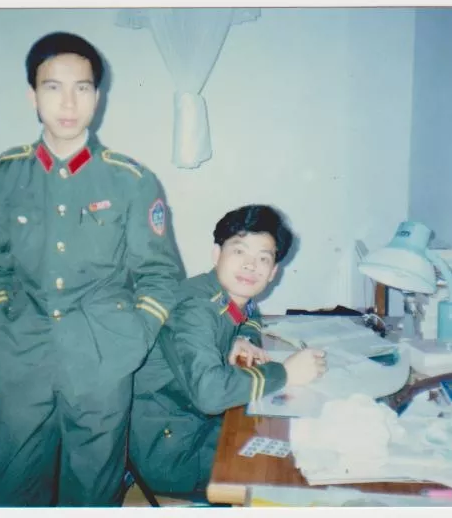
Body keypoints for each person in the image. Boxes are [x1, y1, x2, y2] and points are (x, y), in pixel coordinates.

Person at [0, 31, 183, 506]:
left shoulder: (131, 181)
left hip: (103, 358)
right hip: (24, 356)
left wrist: (130, 343)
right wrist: (3, 334)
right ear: (33, 96)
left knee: (92, 490)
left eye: (82, 88)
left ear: (97, 97)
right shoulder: (8, 172)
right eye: (53, 87)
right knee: (11, 485)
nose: (68, 102)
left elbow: (159, 276)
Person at [129, 204, 327, 496]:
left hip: (197, 424)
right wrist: (284, 373)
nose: (250, 266)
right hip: (173, 452)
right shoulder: (195, 308)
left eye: (263, 258)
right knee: (293, 471)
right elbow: (210, 394)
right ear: (217, 254)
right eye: (239, 251)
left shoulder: (224, 293)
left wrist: (244, 336)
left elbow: (251, 312)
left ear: (272, 272)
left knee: (297, 437)